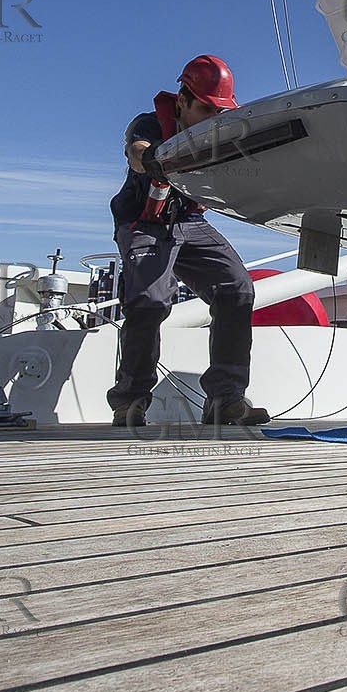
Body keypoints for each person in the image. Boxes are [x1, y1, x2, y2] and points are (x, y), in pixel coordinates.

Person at [107, 54, 269, 430]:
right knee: (149, 300)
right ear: (182, 101)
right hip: (144, 223)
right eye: (206, 108)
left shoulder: (219, 133)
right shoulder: (149, 124)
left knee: (237, 289)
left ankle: (224, 400)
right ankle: (130, 402)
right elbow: (137, 152)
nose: (214, 118)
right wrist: (152, 159)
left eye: (220, 111)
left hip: (189, 222)